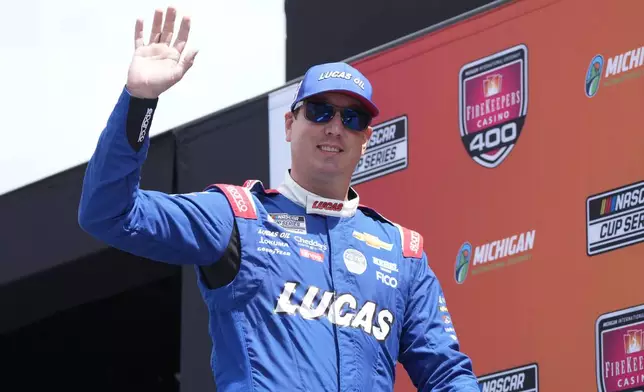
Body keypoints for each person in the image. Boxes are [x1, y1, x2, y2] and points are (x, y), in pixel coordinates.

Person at [78, 6, 479, 392]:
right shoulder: (237, 217)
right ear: (290, 124)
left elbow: (446, 374)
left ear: (365, 141)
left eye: (351, 118)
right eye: (320, 111)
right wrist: (139, 101)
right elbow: (109, 213)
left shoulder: (401, 253)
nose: (335, 128)